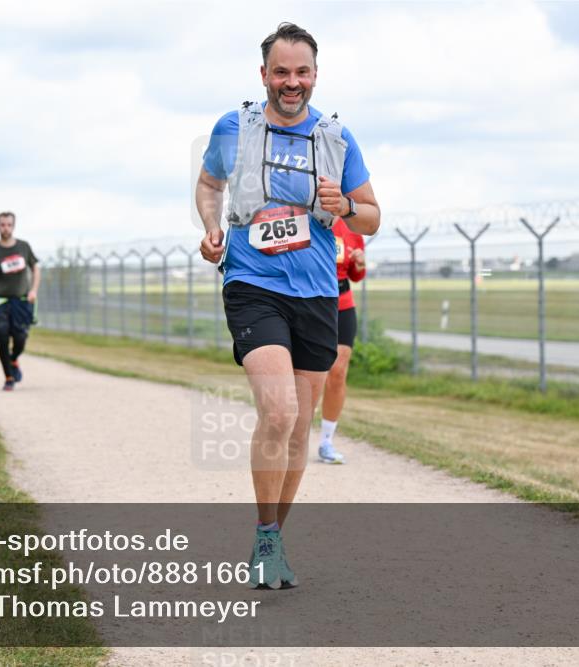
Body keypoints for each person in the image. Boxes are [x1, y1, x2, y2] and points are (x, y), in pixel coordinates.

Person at [196, 23, 380, 589]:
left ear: (315, 76)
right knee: (277, 413)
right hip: (252, 282)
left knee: (298, 427)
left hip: (318, 292)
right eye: (281, 72)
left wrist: (345, 203)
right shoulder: (234, 127)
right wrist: (210, 226)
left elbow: (371, 217)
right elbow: (209, 185)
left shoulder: (336, 138)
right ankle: (265, 531)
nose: (291, 82)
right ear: (264, 75)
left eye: (302, 72)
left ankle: (270, 539)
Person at [317, 218, 367, 464]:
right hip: (312, 301)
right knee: (307, 373)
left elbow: (357, 274)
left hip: (343, 303)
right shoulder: (307, 217)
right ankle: (289, 432)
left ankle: (326, 441)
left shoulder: (352, 226)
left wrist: (359, 262)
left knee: (337, 372)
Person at [0, 212, 40, 391]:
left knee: (20, 338)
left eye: (9, 225)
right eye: (2, 225)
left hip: (20, 302)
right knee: (2, 335)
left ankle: (13, 359)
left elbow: (35, 267)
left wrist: (33, 290)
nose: (6, 228)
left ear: (14, 226)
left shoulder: (23, 247)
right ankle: (8, 377)